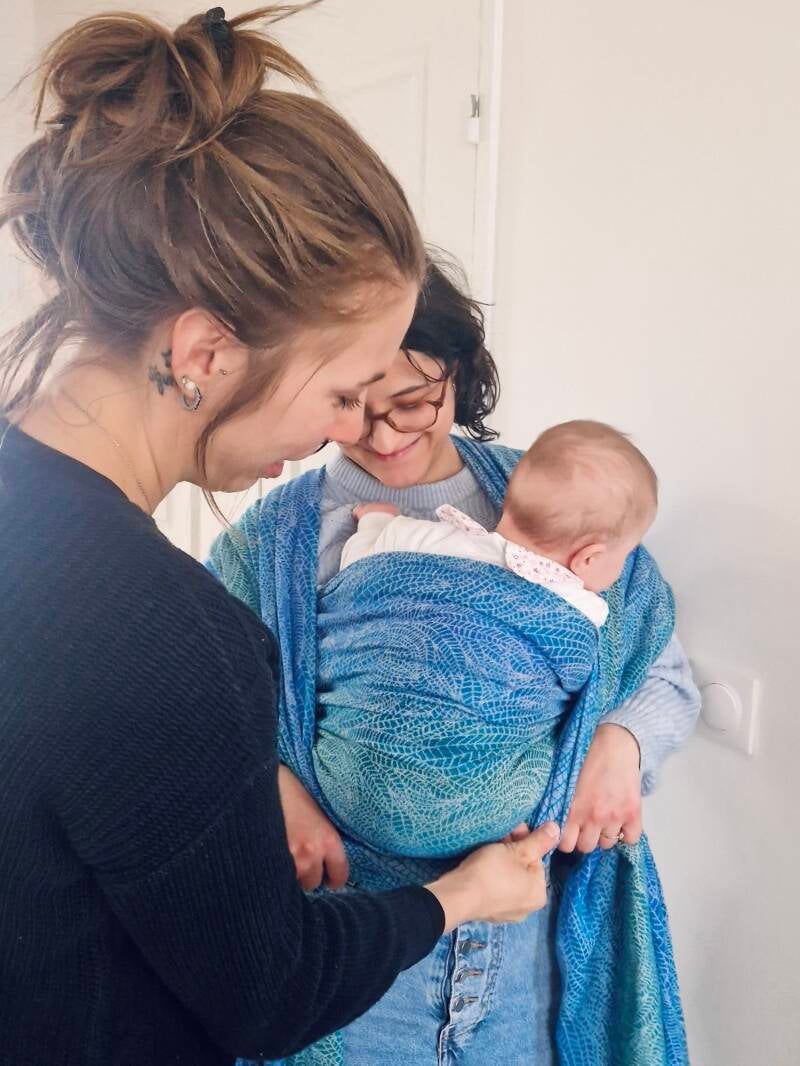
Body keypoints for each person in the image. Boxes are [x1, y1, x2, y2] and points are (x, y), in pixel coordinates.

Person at [0, 10, 561, 1066]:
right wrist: (457, 898)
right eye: (344, 393)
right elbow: (271, 993)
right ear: (204, 353)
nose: (348, 435)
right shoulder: (173, 640)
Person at [209, 262, 699, 1064]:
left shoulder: (561, 494)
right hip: (359, 948)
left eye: (412, 401)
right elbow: (204, 716)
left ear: (460, 370)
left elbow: (657, 666)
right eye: (351, 407)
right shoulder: (266, 548)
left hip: (526, 946)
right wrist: (277, 786)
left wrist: (623, 743)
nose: (384, 436)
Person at [341, 418, 661, 626]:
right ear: (588, 558)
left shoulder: (437, 539)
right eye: (624, 555)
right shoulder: (586, 610)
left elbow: (358, 569)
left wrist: (375, 519)